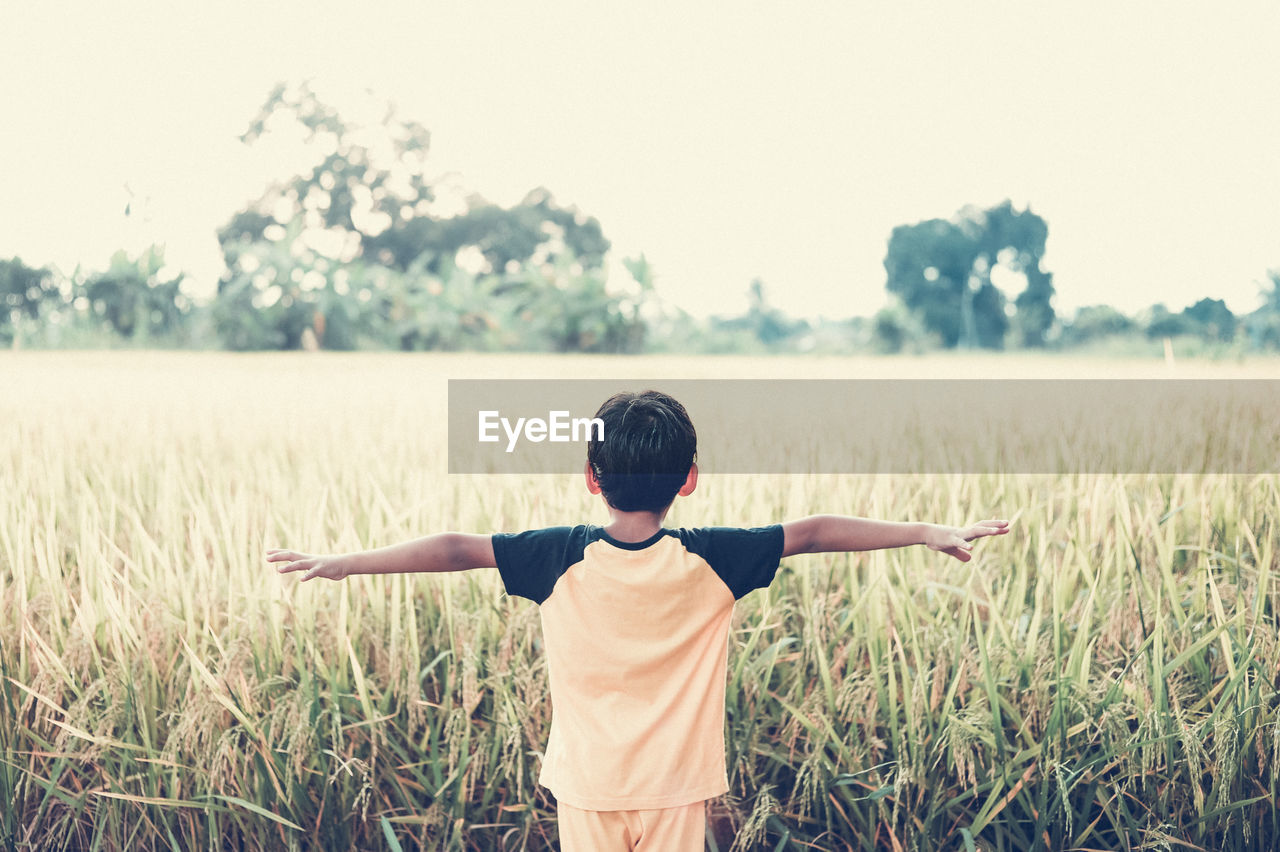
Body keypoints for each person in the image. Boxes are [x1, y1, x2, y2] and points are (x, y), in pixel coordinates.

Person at [269, 390, 1009, 851]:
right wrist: (927, 531)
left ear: (591, 479)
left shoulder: (554, 556)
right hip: (678, 787)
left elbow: (458, 548)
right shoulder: (715, 558)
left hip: (588, 786)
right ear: (690, 479)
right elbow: (813, 530)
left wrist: (344, 561)